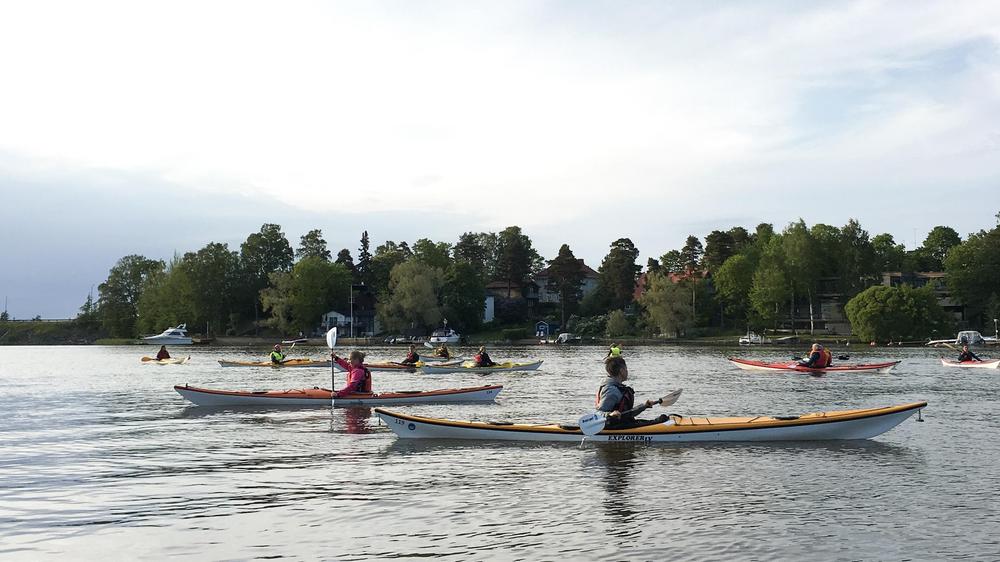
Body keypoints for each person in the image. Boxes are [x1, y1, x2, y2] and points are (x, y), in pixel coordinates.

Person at [596, 357, 667, 428]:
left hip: (622, 424)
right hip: (614, 427)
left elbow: (628, 413)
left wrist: (644, 406)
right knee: (661, 420)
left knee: (661, 419)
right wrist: (610, 415)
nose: (627, 372)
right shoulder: (611, 390)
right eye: (626, 369)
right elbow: (598, 414)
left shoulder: (618, 387)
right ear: (622, 371)